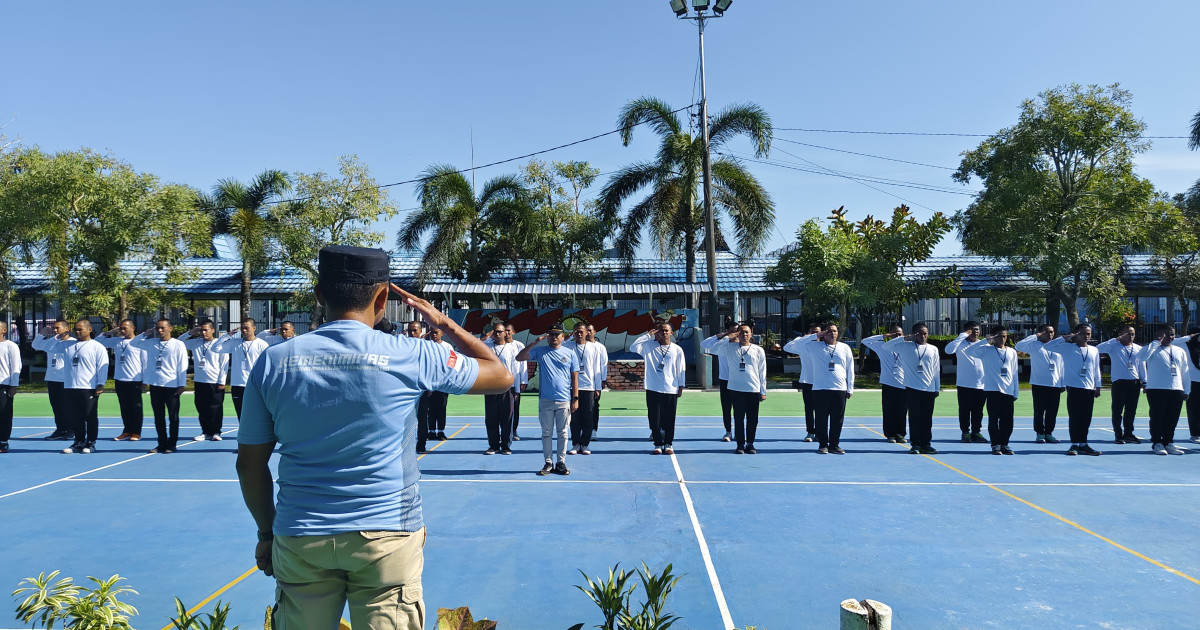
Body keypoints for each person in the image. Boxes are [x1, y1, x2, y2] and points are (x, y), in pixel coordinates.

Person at [236, 245, 512, 630]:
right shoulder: (413, 353)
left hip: (301, 533)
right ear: (382, 296)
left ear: (319, 295)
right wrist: (443, 323)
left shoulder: (274, 360)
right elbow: (501, 376)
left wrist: (267, 532)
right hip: (386, 536)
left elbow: (249, 464)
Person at [516, 323, 579, 475]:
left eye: (557, 334)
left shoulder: (570, 353)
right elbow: (519, 357)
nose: (554, 337)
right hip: (546, 400)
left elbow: (575, 377)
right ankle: (548, 463)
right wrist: (534, 342)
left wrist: (575, 398)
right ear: (547, 336)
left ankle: (561, 462)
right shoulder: (540, 351)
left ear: (562, 337)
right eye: (551, 334)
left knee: (563, 432)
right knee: (546, 433)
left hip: (564, 399)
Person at [701, 322, 769, 454]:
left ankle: (750, 443)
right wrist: (727, 336)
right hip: (736, 389)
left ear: (751, 334)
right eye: (741, 332)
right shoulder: (730, 348)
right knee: (738, 418)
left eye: (746, 332)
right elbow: (713, 349)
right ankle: (740, 444)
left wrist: (763, 391)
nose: (744, 334)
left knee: (753, 419)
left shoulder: (758, 350)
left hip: (753, 389)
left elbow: (763, 372)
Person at [788, 324, 854, 454]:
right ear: (824, 333)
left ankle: (834, 444)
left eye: (834, 331)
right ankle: (823, 445)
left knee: (837, 419)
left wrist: (850, 388)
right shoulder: (813, 346)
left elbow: (850, 368)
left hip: (840, 388)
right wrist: (815, 336)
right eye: (829, 331)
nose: (832, 333)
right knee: (821, 418)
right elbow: (790, 346)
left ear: (838, 333)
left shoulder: (844, 347)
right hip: (820, 388)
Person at [1043, 323, 1102, 456]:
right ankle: (1074, 443)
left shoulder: (1094, 350)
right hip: (1074, 388)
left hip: (1089, 388)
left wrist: (1098, 385)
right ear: (1076, 334)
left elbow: (1096, 369)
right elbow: (1047, 346)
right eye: (1083, 333)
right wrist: (1066, 337)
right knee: (1075, 417)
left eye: (1088, 333)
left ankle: (1083, 443)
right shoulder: (1067, 348)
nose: (1086, 336)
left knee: (1086, 418)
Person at [133, 319, 190, 453]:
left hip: (172, 385)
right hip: (156, 385)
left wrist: (182, 384)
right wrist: (145, 334)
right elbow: (133, 343)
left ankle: (172, 444)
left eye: (163, 328)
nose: (160, 330)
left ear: (170, 328)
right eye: (157, 328)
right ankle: (161, 443)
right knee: (158, 417)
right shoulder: (151, 343)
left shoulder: (178, 344)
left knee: (173, 416)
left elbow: (182, 365)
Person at [630, 321, 686, 454]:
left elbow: (681, 369)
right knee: (654, 419)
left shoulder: (677, 349)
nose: (664, 332)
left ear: (671, 333)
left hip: (670, 388)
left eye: (667, 330)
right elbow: (633, 347)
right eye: (661, 330)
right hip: (653, 387)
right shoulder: (649, 346)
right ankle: (657, 444)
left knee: (669, 418)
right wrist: (647, 335)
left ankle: (668, 443)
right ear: (657, 332)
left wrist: (681, 386)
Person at [885, 323, 942, 455]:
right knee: (915, 418)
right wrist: (904, 337)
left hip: (929, 389)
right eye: (919, 333)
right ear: (914, 334)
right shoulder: (905, 346)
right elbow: (886, 346)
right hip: (912, 388)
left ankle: (926, 444)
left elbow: (936, 369)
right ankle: (915, 444)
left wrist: (937, 387)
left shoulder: (933, 349)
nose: (923, 336)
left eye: (925, 333)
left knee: (927, 419)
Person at [964, 325, 1019, 454]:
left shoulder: (1011, 352)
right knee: (993, 419)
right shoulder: (986, 350)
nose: (1002, 338)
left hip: (1008, 391)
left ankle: (1005, 444)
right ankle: (995, 444)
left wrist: (1016, 391)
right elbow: (968, 351)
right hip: (992, 390)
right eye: (999, 336)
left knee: (1008, 421)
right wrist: (985, 340)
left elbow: (1015, 372)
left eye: (1004, 336)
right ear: (994, 337)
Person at [56, 319, 108, 454]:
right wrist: (57, 337)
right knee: (75, 416)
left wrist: (100, 383)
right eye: (76, 330)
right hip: (70, 386)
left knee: (90, 416)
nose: (77, 332)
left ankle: (90, 442)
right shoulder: (68, 345)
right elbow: (43, 346)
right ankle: (78, 442)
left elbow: (103, 366)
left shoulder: (97, 347)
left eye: (80, 329)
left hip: (88, 387)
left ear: (89, 329)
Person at [1141, 327, 1193, 454]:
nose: (1171, 337)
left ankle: (1168, 442)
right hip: (1157, 389)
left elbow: (1185, 371)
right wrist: (1155, 342)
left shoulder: (1179, 350)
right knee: (1157, 417)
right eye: (1168, 334)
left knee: (1172, 418)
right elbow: (1142, 357)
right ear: (1159, 334)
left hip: (1176, 389)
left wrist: (1187, 389)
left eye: (1173, 335)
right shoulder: (1152, 349)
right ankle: (1157, 443)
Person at [180, 320, 231, 441]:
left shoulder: (219, 344)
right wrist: (191, 332)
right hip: (199, 381)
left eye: (206, 330)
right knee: (201, 408)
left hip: (215, 382)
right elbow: (178, 342)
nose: (203, 332)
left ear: (213, 330)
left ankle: (216, 432)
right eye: (201, 330)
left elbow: (224, 364)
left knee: (215, 408)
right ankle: (205, 432)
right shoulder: (196, 343)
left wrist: (222, 381)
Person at [1015, 324, 1066, 444]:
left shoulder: (1058, 346)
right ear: (1041, 333)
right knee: (1039, 411)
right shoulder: (1034, 345)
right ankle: (1039, 433)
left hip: (1055, 385)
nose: (1050, 334)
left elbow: (1062, 366)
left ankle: (1049, 433)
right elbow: (1018, 346)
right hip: (1039, 384)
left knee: (1052, 411)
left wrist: (1063, 383)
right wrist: (1034, 336)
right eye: (1047, 332)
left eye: (1052, 332)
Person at [97, 319, 147, 441]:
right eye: (121, 328)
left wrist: (145, 381)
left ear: (133, 327)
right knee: (124, 407)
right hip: (120, 379)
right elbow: (98, 341)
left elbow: (145, 363)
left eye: (125, 328)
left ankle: (136, 432)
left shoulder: (140, 342)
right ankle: (127, 430)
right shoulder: (117, 341)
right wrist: (109, 332)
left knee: (135, 407)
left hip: (135, 380)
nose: (123, 330)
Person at [212, 319, 270, 421]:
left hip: (254, 385)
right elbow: (215, 348)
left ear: (254, 328)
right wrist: (227, 335)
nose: (244, 330)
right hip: (237, 385)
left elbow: (267, 365)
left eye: (246, 328)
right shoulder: (235, 342)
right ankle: (244, 436)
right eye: (242, 328)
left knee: (257, 413)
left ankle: (258, 436)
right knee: (240, 414)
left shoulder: (262, 344)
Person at [1097, 325, 1146, 444]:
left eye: (1133, 334)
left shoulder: (1138, 349)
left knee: (1131, 410)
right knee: (1117, 409)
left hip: (1134, 383)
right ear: (1121, 334)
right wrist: (1115, 339)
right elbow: (1098, 348)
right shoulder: (1113, 346)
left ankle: (1128, 434)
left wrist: (1144, 381)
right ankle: (1118, 434)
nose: (1130, 336)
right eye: (1128, 333)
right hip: (1119, 382)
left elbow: (1142, 366)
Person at [861, 325, 909, 444]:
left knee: (902, 412)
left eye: (900, 334)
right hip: (888, 384)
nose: (897, 336)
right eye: (894, 334)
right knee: (888, 411)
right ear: (890, 334)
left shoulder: (907, 347)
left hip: (904, 384)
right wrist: (884, 336)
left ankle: (900, 434)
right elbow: (865, 341)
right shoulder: (883, 347)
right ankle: (890, 434)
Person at [563, 322, 605, 455]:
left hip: (589, 387)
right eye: (576, 331)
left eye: (581, 331)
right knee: (574, 417)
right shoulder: (568, 346)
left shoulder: (594, 348)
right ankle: (575, 444)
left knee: (588, 417)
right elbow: (560, 344)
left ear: (587, 332)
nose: (579, 333)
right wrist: (568, 337)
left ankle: (585, 444)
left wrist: (597, 387)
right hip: (572, 387)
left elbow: (597, 368)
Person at [482, 322, 523, 455]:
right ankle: (493, 445)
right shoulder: (487, 347)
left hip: (507, 388)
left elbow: (516, 370)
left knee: (507, 418)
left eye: (500, 331)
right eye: (496, 331)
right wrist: (487, 337)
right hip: (491, 388)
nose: (498, 334)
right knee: (491, 418)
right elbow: (475, 344)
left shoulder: (512, 349)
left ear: (506, 333)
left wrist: (517, 389)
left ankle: (506, 445)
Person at [945, 321, 988, 444]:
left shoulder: (983, 344)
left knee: (978, 411)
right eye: (972, 329)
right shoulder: (960, 343)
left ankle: (976, 432)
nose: (975, 332)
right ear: (966, 331)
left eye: (977, 330)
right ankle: (965, 432)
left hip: (981, 384)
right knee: (964, 410)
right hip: (964, 384)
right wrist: (961, 336)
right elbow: (948, 350)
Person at [32, 320, 74, 441]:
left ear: (67, 329)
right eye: (54, 328)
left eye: (58, 328)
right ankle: (60, 429)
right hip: (52, 379)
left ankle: (71, 430)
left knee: (68, 407)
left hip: (66, 380)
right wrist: (42, 334)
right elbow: (36, 345)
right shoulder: (52, 342)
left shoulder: (72, 343)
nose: (55, 330)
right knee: (56, 406)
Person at [783, 324, 822, 442]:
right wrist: (808, 337)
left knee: (822, 409)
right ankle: (810, 432)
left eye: (818, 332)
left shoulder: (824, 345)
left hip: (822, 382)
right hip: (807, 382)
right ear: (808, 333)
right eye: (813, 332)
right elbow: (787, 347)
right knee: (809, 409)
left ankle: (820, 432)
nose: (816, 335)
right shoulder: (803, 345)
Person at [405, 321, 432, 453]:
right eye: (410, 330)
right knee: (405, 419)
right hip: (406, 388)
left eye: (415, 330)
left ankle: (421, 444)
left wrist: (430, 387)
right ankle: (405, 446)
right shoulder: (401, 346)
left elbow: (429, 368)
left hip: (421, 388)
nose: (412, 332)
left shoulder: (426, 347)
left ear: (420, 331)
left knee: (422, 418)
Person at [1171, 328, 1200, 444]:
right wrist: (1189, 337)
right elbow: (1172, 342)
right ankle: (1195, 434)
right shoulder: (1184, 344)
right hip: (1192, 380)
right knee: (1194, 409)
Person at [425, 327, 453, 441]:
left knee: (442, 408)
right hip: (430, 383)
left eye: (436, 332)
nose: (434, 335)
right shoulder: (426, 345)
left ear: (442, 333)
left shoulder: (447, 347)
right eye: (432, 332)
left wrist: (448, 377)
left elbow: (452, 363)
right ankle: (431, 431)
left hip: (442, 383)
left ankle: (441, 431)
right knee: (430, 409)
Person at [710, 318, 735, 442]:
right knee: (726, 408)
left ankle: (740, 432)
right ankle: (728, 432)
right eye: (732, 331)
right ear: (727, 331)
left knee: (740, 409)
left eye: (737, 331)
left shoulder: (742, 346)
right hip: (725, 381)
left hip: (739, 381)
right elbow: (704, 345)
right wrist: (721, 336)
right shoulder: (721, 346)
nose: (734, 334)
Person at [0, 322, 20, 454]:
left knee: (4, 414)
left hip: (4, 384)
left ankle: (3, 441)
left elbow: (16, 366)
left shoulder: (10, 346)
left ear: (4, 330)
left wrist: (14, 385)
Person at [586, 323, 608, 441]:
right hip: (581, 383)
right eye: (586, 330)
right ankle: (581, 430)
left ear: (595, 331)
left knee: (594, 407)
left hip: (595, 382)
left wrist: (602, 380)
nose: (588, 332)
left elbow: (603, 365)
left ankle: (593, 430)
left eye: (590, 330)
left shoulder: (600, 347)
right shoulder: (576, 345)